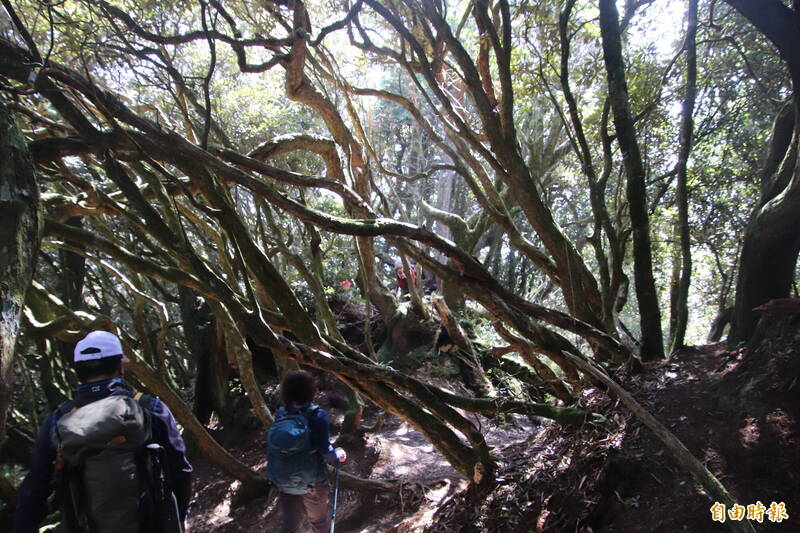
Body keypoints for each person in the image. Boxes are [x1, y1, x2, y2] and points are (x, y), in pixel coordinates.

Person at [14, 330, 193, 533]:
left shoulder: (58, 419)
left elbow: (35, 487)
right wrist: (180, 516)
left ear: (78, 372)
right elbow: (181, 468)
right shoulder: (150, 407)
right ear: (120, 367)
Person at [267, 370, 346, 533]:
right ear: (311, 390)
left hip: (285, 479)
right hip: (312, 480)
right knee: (318, 522)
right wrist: (337, 454)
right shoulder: (317, 415)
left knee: (290, 525)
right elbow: (325, 450)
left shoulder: (281, 414)